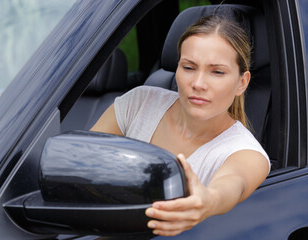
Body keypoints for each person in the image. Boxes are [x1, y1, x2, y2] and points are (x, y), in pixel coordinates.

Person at [91, 14, 270, 237]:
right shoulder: (138, 103)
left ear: (241, 83)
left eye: (217, 72)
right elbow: (84, 163)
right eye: (189, 67)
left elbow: (233, 183)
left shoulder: (247, 153)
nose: (198, 84)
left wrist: (209, 200)